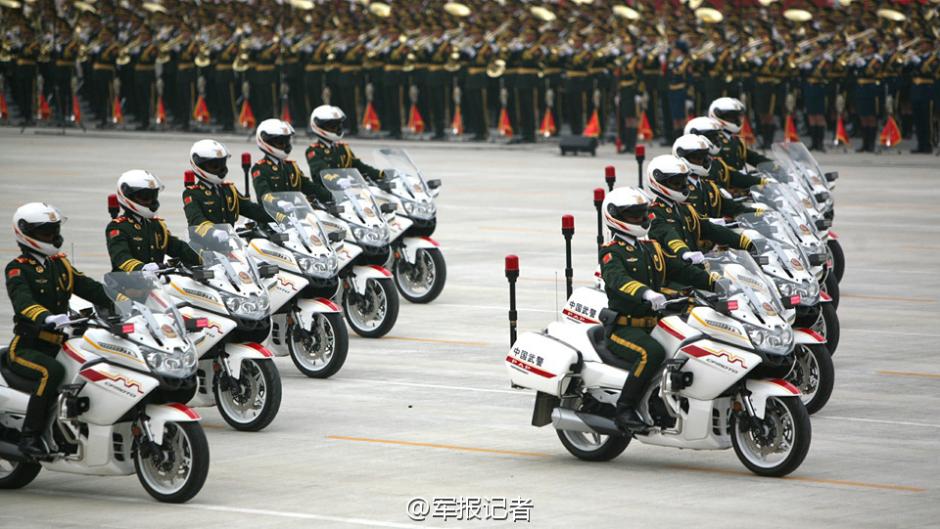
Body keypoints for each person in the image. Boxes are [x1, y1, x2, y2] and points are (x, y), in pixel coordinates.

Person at [599, 187, 718, 431]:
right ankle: (625, 409)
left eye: (643, 214)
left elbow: (679, 270)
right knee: (650, 353)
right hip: (624, 328)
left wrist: (714, 281)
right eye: (634, 216)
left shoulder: (650, 247)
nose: (642, 220)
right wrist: (646, 293)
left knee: (692, 343)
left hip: (655, 323)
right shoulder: (612, 252)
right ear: (616, 217)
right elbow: (617, 280)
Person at [6, 203, 112, 457]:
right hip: (28, 348)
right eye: (46, 232)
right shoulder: (18, 268)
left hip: (60, 343)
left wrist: (120, 297)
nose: (53, 237)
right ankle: (29, 437)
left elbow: (88, 287)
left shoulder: (59, 264)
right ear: (26, 233)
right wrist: (45, 317)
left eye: (54, 231)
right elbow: (23, 302)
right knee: (52, 372)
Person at [646, 154, 754, 262]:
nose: (682, 186)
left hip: (696, 270)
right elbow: (668, 234)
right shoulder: (654, 213)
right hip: (674, 274)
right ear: (658, 182)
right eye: (676, 183)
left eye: (683, 181)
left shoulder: (685, 209)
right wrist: (684, 252)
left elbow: (711, 229)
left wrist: (746, 243)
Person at [106, 170, 200, 272]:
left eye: (152, 196)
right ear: (128, 197)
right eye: (145, 197)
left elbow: (179, 248)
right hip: (128, 284)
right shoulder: (118, 227)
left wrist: (204, 258)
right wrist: (142, 268)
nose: (150, 201)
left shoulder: (155, 225)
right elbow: (121, 256)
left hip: (157, 283)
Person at [183, 139, 270, 235]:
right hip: (204, 247)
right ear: (199, 165)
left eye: (222, 164)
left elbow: (251, 209)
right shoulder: (192, 193)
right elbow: (196, 219)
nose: (220, 169)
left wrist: (279, 217)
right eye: (214, 166)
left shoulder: (228, 189)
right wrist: (213, 233)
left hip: (230, 244)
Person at [305, 105, 385, 202]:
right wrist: (337, 180)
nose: (337, 128)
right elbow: (321, 171)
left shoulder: (343, 148)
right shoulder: (313, 151)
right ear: (319, 126)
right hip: (327, 199)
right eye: (332, 126)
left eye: (338, 125)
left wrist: (381, 174)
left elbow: (359, 166)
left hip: (349, 194)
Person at [672, 134, 758, 221]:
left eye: (703, 156)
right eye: (696, 157)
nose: (701, 161)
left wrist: (760, 213)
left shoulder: (708, 185)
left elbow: (734, 208)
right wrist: (721, 222)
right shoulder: (677, 189)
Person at [685, 117, 766, 193]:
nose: (716, 140)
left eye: (716, 136)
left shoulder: (715, 163)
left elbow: (735, 177)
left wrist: (762, 181)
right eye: (711, 137)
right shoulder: (686, 170)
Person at [250, 118, 321, 203]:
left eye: (286, 141)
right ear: (266, 141)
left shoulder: (291, 166)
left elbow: (308, 186)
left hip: (294, 213)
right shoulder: (260, 169)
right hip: (272, 213)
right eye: (280, 142)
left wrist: (330, 196)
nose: (285, 145)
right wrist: (278, 202)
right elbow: (264, 194)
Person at [708, 98, 771, 170]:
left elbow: (753, 158)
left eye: (737, 117)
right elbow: (723, 171)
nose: (736, 120)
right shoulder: (714, 141)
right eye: (730, 117)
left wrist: (774, 166)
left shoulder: (733, 139)